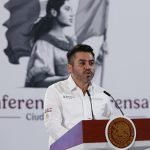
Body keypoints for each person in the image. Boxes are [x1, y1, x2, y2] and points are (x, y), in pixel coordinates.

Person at [44, 44, 113, 147]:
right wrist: (78, 143)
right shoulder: (56, 90)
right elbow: (52, 125)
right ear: (70, 68)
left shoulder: (103, 94)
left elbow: (108, 127)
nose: (88, 67)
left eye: (91, 63)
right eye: (82, 63)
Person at [25, 0, 75, 87]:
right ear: (54, 12)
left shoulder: (72, 43)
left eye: (71, 10)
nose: (72, 14)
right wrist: (68, 79)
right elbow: (39, 81)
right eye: (67, 9)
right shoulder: (44, 43)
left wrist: (99, 60)